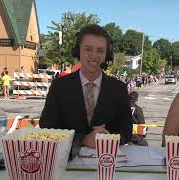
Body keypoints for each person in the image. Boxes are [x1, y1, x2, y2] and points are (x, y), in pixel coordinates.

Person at [40, 24, 132, 160]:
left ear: (107, 54)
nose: (94, 56)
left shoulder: (119, 88)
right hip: (66, 163)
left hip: (107, 162)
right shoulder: (59, 86)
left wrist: (107, 139)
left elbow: (126, 131)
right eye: (88, 49)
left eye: (100, 51)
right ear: (78, 51)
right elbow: (47, 127)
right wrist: (82, 139)